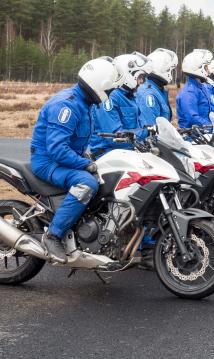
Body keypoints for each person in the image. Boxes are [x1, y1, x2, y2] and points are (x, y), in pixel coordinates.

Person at [30, 57, 122, 262]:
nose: (110, 94)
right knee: (87, 182)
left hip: (64, 160)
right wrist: (85, 164)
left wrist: (89, 157)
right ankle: (53, 235)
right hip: (47, 162)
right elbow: (57, 149)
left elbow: (78, 143)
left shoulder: (85, 103)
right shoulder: (67, 106)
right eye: (109, 89)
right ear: (98, 84)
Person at [89, 52, 152, 157]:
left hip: (128, 151)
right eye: (140, 77)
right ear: (129, 74)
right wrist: (146, 133)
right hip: (107, 154)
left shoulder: (132, 97)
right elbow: (113, 138)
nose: (141, 82)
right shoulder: (109, 97)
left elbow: (139, 127)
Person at [136, 48, 178, 126]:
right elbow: (151, 129)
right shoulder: (148, 94)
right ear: (163, 68)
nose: (171, 73)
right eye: (170, 70)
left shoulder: (158, 90)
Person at [176, 49, 213, 128]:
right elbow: (192, 118)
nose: (209, 71)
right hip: (192, 137)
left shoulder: (202, 87)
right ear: (198, 68)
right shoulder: (189, 92)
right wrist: (211, 126)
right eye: (206, 67)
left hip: (203, 134)